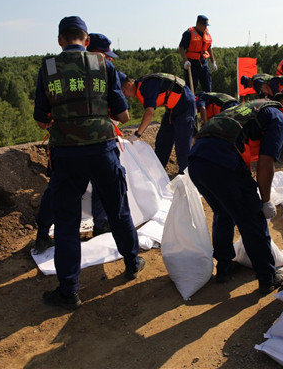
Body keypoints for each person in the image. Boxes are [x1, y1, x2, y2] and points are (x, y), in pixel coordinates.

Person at [34, 16, 144, 310]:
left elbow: (41, 121)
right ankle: (132, 262)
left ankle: (69, 290)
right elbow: (123, 116)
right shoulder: (104, 66)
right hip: (102, 151)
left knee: (67, 223)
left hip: (66, 153)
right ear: (85, 40)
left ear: (60, 40)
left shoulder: (48, 69)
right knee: (117, 208)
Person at [188, 82, 283, 294]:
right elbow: (266, 162)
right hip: (222, 161)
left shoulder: (253, 107)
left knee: (223, 213)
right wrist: (265, 200)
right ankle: (268, 277)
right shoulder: (278, 116)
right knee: (253, 218)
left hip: (197, 160)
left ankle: (224, 266)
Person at [121, 72, 196, 174]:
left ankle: (187, 176)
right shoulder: (142, 85)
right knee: (163, 140)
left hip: (185, 103)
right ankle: (157, 172)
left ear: (129, 85)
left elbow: (149, 113)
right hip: (171, 108)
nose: (127, 96)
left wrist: (137, 134)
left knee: (182, 144)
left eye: (125, 92)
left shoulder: (145, 87)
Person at [178, 15, 216, 93]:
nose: (206, 28)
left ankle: (208, 103)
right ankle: (190, 104)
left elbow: (209, 48)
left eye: (206, 26)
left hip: (203, 62)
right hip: (192, 63)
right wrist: (185, 61)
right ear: (198, 24)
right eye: (204, 25)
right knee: (191, 88)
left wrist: (213, 62)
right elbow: (181, 48)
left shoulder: (206, 33)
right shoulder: (188, 33)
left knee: (207, 86)